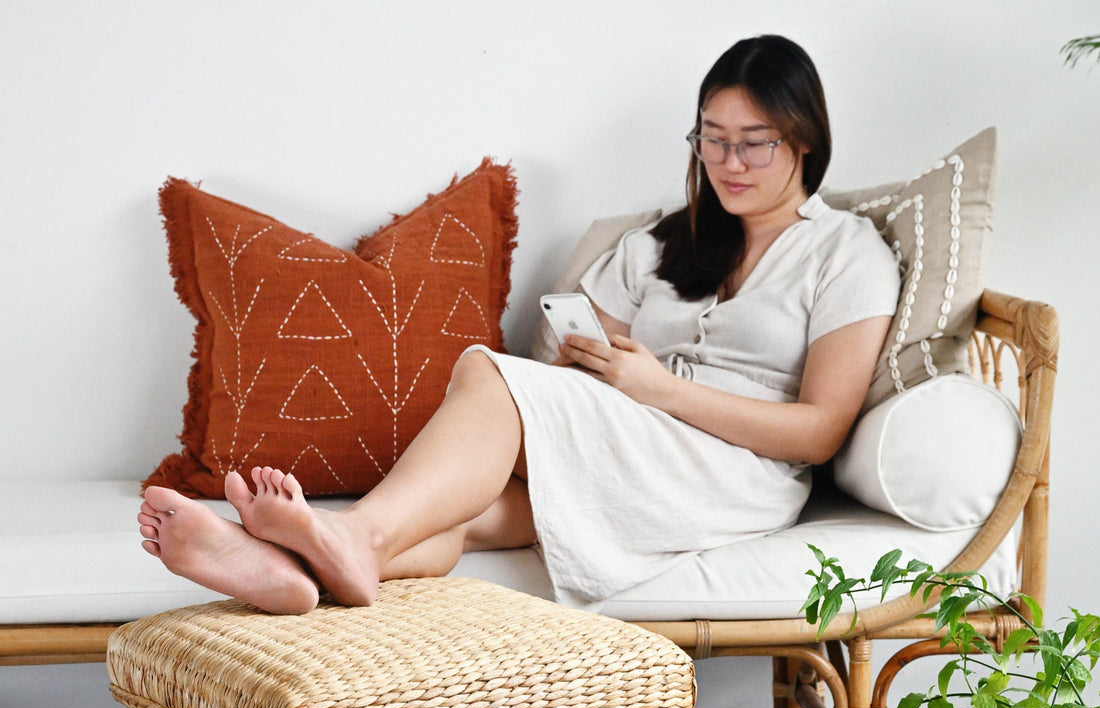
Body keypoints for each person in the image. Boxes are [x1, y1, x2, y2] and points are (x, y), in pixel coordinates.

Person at [138, 34, 900, 616]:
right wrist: (595, 376)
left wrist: (659, 392)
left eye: (753, 142)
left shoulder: (847, 251)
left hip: (736, 473)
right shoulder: (666, 242)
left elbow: (820, 430)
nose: (728, 161)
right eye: (712, 137)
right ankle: (285, 572)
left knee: (486, 368)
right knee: (475, 509)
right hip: (634, 442)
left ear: (803, 140)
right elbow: (577, 360)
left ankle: (352, 536)